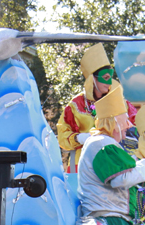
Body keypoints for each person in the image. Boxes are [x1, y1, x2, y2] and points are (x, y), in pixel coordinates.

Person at [76, 85, 145, 225]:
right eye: (125, 120)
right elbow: (119, 180)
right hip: (108, 220)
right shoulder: (102, 143)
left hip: (108, 219)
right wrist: (142, 168)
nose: (128, 126)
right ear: (115, 122)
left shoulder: (100, 142)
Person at [57, 44, 138, 173]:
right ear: (92, 79)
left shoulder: (120, 103)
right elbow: (62, 137)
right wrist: (79, 138)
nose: (110, 83)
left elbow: (135, 128)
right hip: (84, 164)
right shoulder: (75, 106)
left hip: (115, 162)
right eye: (105, 78)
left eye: (110, 78)